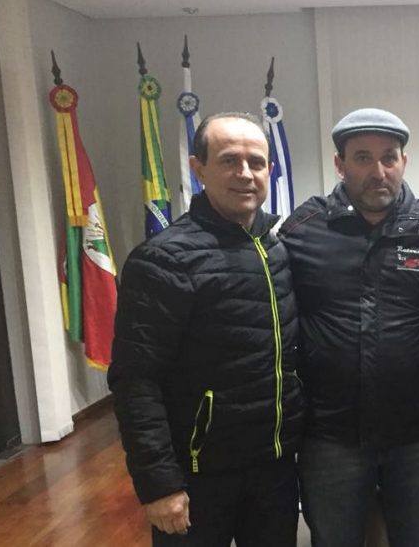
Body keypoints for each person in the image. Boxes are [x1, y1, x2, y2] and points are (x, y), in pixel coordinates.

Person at [109, 112, 304, 546]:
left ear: (270, 170)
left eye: (256, 162)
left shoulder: (277, 250)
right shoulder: (163, 260)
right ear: (198, 169)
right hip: (197, 476)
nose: (245, 174)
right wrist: (159, 484)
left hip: (273, 470)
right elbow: (135, 379)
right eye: (229, 160)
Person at [281, 108, 419, 547]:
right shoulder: (302, 231)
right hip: (330, 436)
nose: (378, 171)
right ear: (340, 164)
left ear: (403, 161)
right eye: (362, 158)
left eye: (389, 157)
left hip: (418, 434)